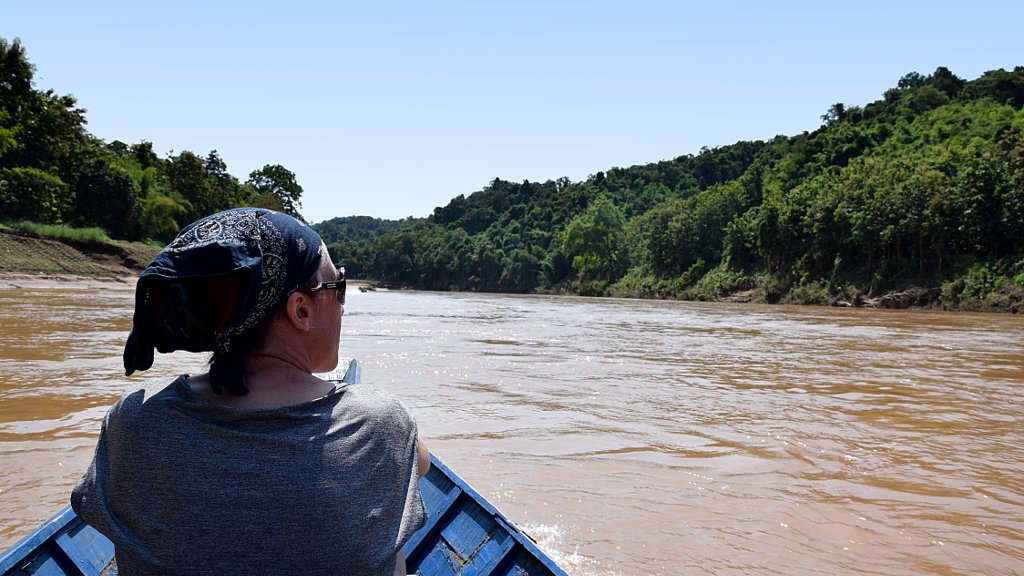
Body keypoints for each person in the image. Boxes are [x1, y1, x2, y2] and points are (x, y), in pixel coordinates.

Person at [71, 208, 428, 576]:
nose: (342, 306)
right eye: (338, 287)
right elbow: (421, 464)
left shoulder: (132, 422)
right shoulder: (381, 423)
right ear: (301, 310)